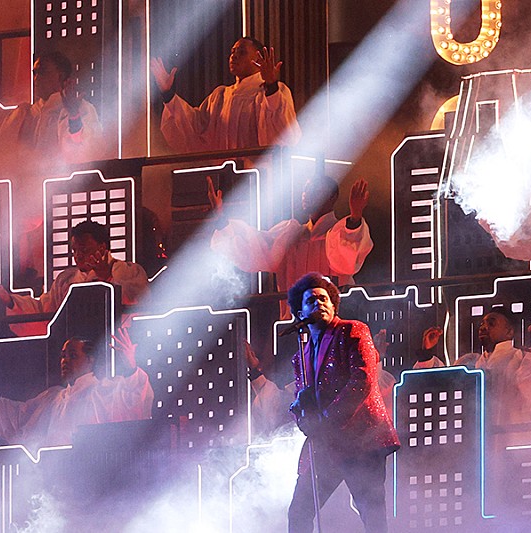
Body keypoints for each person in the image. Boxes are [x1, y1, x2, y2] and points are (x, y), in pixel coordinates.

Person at [286, 273, 399, 533]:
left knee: (371, 514)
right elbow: (300, 399)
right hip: (326, 445)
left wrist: (326, 419)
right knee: (299, 511)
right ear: (300, 313)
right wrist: (303, 419)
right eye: (311, 300)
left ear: (334, 305)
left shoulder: (352, 330)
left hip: (361, 440)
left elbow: (363, 379)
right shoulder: (300, 356)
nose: (319, 303)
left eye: (324, 298)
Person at [0, 328, 154, 451]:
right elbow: (18, 417)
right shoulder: (53, 397)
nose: (65, 361)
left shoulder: (104, 390)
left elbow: (135, 399)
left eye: (73, 355)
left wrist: (131, 367)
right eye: (63, 355)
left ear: (90, 360)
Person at [209, 175, 373, 312]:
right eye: (305, 189)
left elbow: (346, 263)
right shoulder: (289, 235)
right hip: (295, 322)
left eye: (314, 189)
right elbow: (255, 249)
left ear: (332, 196)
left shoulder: (339, 234)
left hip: (334, 322)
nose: (306, 194)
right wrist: (221, 220)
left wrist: (355, 217)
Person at [151, 37, 301, 153]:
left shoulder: (273, 91)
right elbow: (194, 128)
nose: (234, 56)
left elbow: (285, 134)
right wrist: (168, 94)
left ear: (258, 59)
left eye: (241, 52)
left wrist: (271, 86)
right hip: (224, 176)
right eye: (232, 52)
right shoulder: (220, 96)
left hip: (260, 176)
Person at [0, 51, 103, 163]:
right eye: (34, 73)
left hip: (59, 191)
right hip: (23, 191)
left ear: (61, 76)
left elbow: (86, 149)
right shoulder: (25, 114)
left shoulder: (81, 108)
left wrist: (74, 115)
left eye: (42, 72)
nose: (36, 78)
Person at [0, 220, 148, 316]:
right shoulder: (66, 280)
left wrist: (104, 275)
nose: (78, 256)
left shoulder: (129, 272)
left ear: (102, 247)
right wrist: (10, 300)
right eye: (74, 250)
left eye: (84, 250)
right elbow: (44, 310)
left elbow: (137, 305)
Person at [452, 309, 531, 426]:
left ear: (509, 332)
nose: (483, 328)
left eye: (491, 323)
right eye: (482, 324)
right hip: (478, 434)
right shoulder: (472, 363)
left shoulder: (522, 358)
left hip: (513, 433)